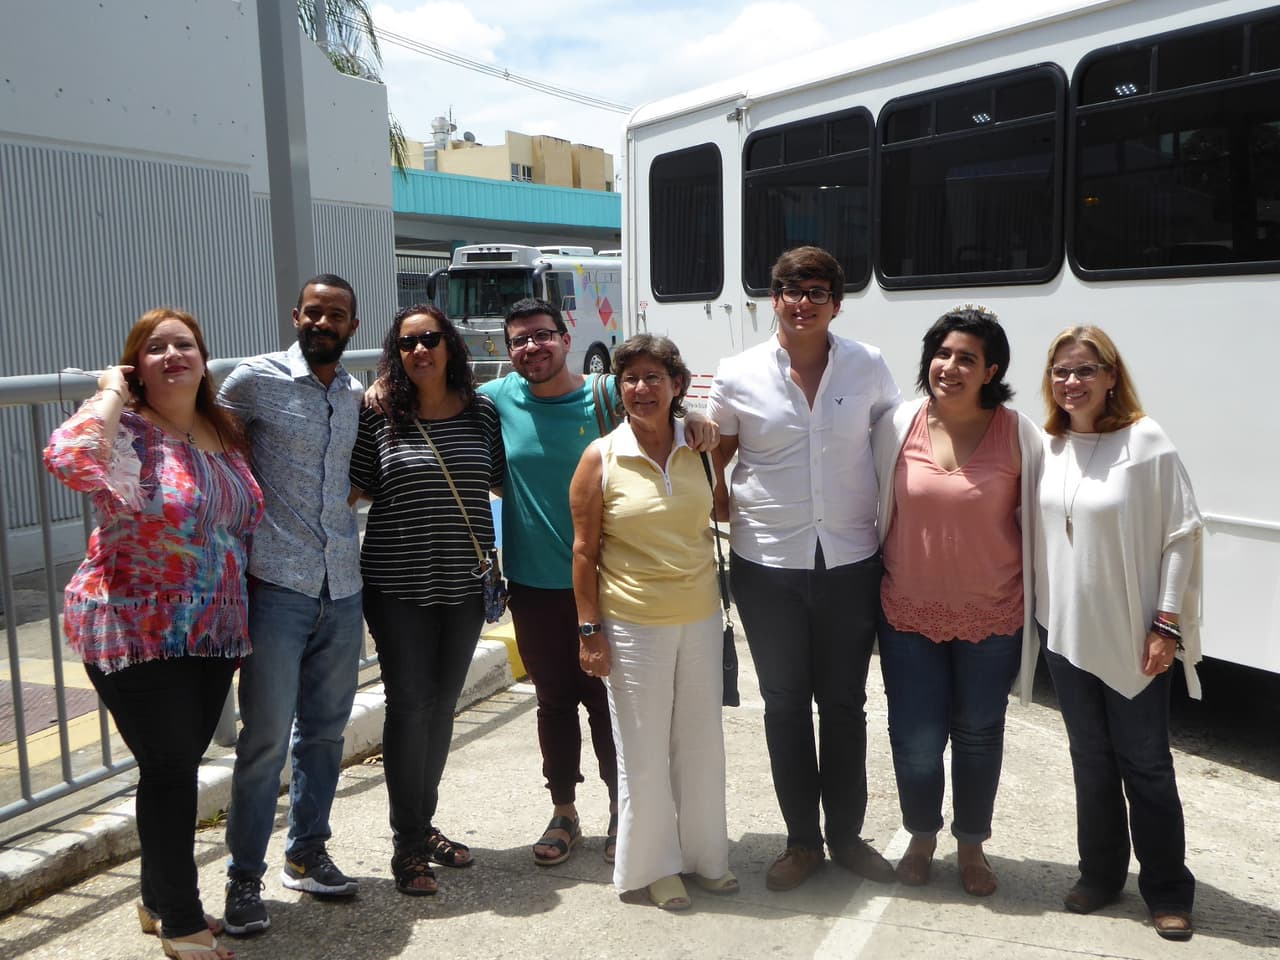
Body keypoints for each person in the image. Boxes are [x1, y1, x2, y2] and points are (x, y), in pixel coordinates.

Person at [44, 309, 263, 960]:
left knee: (176, 768)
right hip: (133, 627)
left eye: (185, 345)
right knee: (170, 768)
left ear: (203, 358)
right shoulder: (128, 432)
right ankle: (181, 922)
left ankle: (156, 898)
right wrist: (110, 392)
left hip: (213, 632)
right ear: (136, 365)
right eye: (155, 348)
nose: (173, 355)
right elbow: (71, 460)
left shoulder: (222, 429)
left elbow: (242, 521)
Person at [473, 297, 718, 867]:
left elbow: (658, 403)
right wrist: (383, 384)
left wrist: (694, 416)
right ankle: (563, 811)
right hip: (534, 585)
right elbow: (432, 393)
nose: (531, 348)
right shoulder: (496, 399)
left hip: (610, 583)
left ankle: (621, 811)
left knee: (611, 704)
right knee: (553, 701)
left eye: (542, 335)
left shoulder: (604, 393)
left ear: (565, 337)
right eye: (518, 341)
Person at [707, 245, 901, 891]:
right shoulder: (738, 373)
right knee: (785, 705)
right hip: (767, 561)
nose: (802, 302)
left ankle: (846, 837)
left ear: (836, 303)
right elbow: (719, 454)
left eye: (817, 291)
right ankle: (802, 842)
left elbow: (893, 449)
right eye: (791, 289)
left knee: (845, 705)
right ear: (774, 298)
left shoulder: (868, 367)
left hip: (850, 558)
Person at [1034, 326, 1201, 941]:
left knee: (1147, 765)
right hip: (1068, 638)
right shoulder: (1047, 445)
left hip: (1135, 636)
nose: (1071, 382)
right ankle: (1101, 875)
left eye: (1084, 370)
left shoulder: (1146, 441)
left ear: (1111, 376)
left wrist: (1166, 623)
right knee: (1091, 763)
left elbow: (1181, 535)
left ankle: (1166, 889)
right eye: (1060, 371)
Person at [870, 307, 1041, 896]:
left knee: (977, 734)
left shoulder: (1019, 434)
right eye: (942, 354)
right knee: (914, 737)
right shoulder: (896, 425)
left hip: (992, 614)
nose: (950, 366)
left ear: (991, 369)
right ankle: (921, 836)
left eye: (967, 358)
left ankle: (972, 846)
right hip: (907, 612)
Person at [218, 275, 365, 935]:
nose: (323, 321)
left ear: (351, 325)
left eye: (336, 313)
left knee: (326, 735)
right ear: (296, 315)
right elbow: (210, 439)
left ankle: (306, 854)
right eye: (314, 311)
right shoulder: (253, 379)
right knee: (267, 740)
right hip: (275, 585)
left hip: (342, 585)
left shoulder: (355, 394)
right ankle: (242, 880)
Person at [569, 334, 733, 912]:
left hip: (700, 615)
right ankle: (655, 867)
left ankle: (706, 858)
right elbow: (584, 552)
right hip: (633, 622)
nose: (641, 389)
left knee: (700, 744)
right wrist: (590, 632)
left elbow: (723, 511)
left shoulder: (698, 447)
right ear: (618, 388)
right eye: (630, 379)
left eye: (654, 378)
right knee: (643, 752)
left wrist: (707, 433)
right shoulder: (602, 457)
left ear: (676, 386)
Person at [349, 305, 505, 896]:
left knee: (442, 709)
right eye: (408, 343)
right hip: (397, 588)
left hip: (464, 586)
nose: (421, 351)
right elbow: (355, 490)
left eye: (431, 339)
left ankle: (422, 823)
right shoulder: (381, 415)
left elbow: (495, 482)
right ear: (397, 353)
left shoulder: (482, 412)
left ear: (451, 345)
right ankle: (407, 845)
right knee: (411, 706)